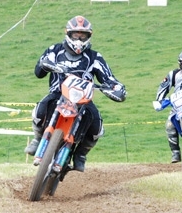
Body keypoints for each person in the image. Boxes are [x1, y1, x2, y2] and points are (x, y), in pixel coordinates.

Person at [25, 16, 126, 172]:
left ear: (89, 36)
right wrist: (44, 64)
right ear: (68, 33)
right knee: (40, 109)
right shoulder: (55, 50)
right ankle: (38, 139)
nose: (79, 39)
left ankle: (80, 154)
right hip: (58, 94)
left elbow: (109, 78)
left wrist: (118, 89)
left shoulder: (94, 57)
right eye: (75, 35)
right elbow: (39, 72)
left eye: (83, 35)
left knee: (97, 127)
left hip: (82, 100)